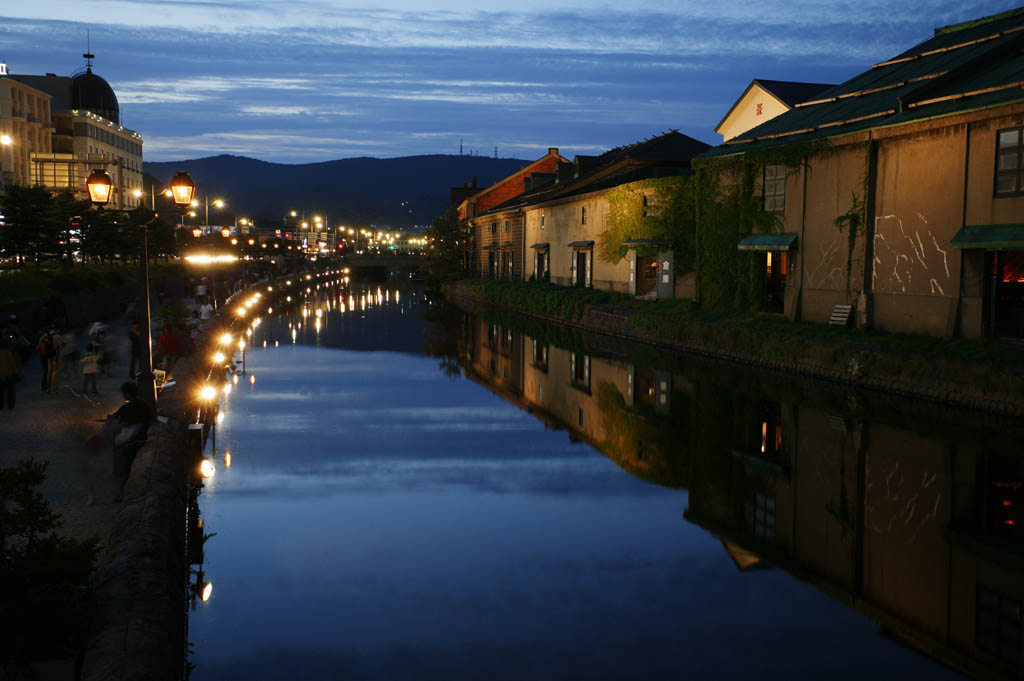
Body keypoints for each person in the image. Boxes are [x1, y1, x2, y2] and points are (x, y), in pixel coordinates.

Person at [108, 381, 149, 502]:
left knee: (123, 469)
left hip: (131, 442)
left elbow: (115, 418)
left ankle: (121, 494)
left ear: (127, 394)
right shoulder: (144, 405)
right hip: (142, 438)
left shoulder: (127, 407)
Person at [0, 337, 20, 410]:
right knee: (10, 391)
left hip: (1, 375)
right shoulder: (9, 352)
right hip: (9, 374)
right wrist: (16, 372)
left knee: (1, 391)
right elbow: (13, 363)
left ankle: (1, 405)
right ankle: (10, 405)